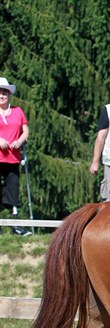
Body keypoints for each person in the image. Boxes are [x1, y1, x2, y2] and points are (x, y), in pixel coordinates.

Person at [0, 77, 32, 236]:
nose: (1, 96)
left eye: (4, 93)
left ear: (9, 95)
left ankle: (15, 225)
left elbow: (25, 130)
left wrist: (19, 141)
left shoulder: (18, 111)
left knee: (13, 189)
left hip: (12, 157)